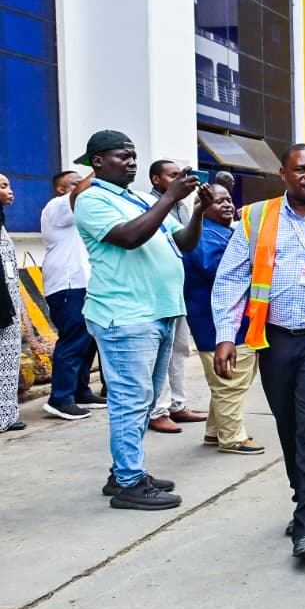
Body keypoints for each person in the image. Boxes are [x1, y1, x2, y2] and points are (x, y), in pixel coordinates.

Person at [211, 143, 305, 561]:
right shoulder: (256, 217)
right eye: (303, 170)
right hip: (274, 337)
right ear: (284, 173)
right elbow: (231, 278)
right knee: (287, 421)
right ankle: (303, 497)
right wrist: (227, 334)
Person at [72, 130, 213, 509]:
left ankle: (125, 472)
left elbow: (181, 243)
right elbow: (130, 238)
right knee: (130, 401)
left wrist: (197, 210)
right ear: (97, 161)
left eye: (134, 156)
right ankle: (130, 483)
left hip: (159, 312)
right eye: (123, 156)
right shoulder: (92, 200)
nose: (132, 162)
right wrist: (170, 197)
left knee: (144, 400)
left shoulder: (134, 199)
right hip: (126, 316)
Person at [182, 184, 264, 455]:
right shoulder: (205, 237)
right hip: (218, 324)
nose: (227, 205)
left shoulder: (225, 232)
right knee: (231, 381)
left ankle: (215, 432)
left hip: (233, 322)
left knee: (229, 380)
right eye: (218, 202)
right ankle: (232, 438)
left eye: (228, 200)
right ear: (203, 206)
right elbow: (224, 273)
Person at [147, 160, 207, 433]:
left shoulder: (182, 206)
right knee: (159, 353)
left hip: (180, 287)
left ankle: (177, 405)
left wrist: (200, 211)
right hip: (155, 290)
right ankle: (157, 410)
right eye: (173, 175)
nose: (180, 179)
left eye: (182, 174)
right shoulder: (147, 205)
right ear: (156, 180)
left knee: (180, 348)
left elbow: (187, 243)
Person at [40, 170, 104, 420]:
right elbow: (78, 194)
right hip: (67, 284)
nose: (83, 186)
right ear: (60, 189)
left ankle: (80, 390)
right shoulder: (57, 207)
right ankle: (60, 398)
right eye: (75, 183)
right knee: (73, 339)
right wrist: (100, 168)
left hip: (86, 283)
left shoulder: (81, 214)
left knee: (88, 340)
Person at [0, 175, 23, 432]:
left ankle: (6, 415)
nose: (10, 191)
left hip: (9, 300)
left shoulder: (2, 222)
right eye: (3, 187)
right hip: (3, 304)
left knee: (8, 358)